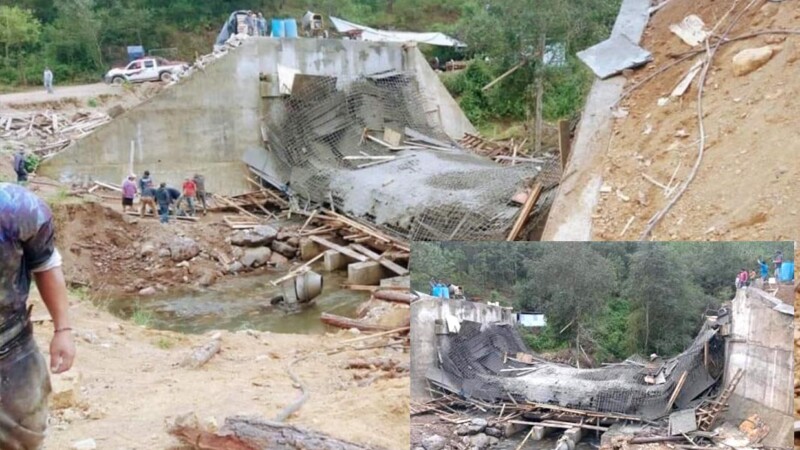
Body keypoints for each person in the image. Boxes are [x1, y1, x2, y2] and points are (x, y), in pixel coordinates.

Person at [0, 182, 75, 449]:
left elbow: (45, 263)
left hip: (10, 348)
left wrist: (63, 330)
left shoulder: (16, 208)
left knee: (23, 438)